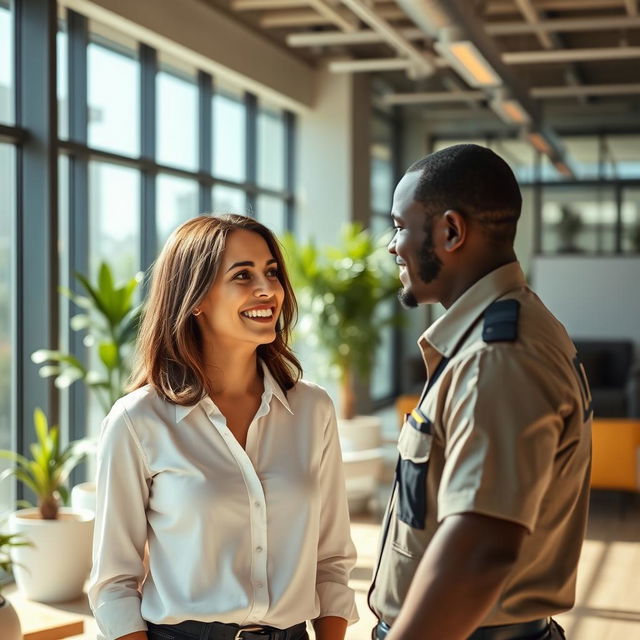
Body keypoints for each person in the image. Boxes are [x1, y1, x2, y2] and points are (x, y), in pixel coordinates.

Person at [89, 214, 358, 640]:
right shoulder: (137, 421)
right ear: (195, 298)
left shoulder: (312, 409)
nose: (267, 289)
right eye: (242, 275)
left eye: (271, 272)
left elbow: (331, 561)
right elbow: (114, 584)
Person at [368, 144, 592, 640]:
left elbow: (481, 549)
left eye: (401, 225)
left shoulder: (496, 356)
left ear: (451, 231)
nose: (392, 245)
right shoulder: (498, 332)